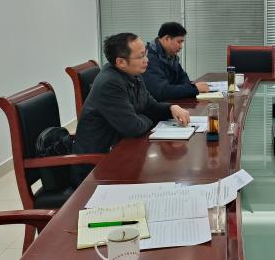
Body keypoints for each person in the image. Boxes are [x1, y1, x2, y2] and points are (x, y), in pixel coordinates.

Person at [73, 33, 190, 162]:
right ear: (121, 62)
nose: (146, 60)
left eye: (145, 53)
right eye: (140, 56)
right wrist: (147, 117)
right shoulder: (110, 84)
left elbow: (150, 106)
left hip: (121, 149)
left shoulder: (133, 73)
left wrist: (171, 108)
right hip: (98, 161)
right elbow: (134, 128)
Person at [143, 22, 210, 101]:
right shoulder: (149, 59)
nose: (181, 47)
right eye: (179, 42)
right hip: (156, 105)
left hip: (170, 102)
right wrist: (194, 89)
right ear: (167, 39)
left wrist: (189, 88)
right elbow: (161, 92)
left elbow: (183, 77)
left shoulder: (170, 55)